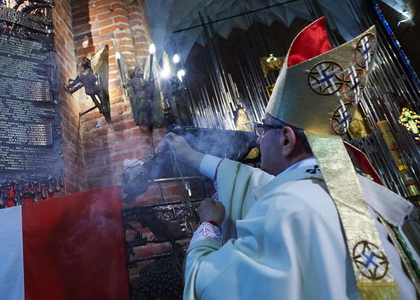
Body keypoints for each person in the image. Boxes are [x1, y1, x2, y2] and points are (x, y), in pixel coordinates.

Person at [160, 18, 419, 299]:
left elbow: (213, 284)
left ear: (286, 139)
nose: (258, 139)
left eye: (263, 129)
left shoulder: (286, 206)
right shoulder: (358, 192)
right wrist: (191, 154)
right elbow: (254, 182)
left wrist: (208, 227)